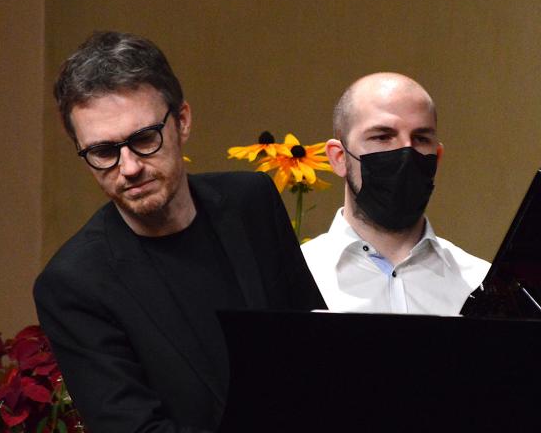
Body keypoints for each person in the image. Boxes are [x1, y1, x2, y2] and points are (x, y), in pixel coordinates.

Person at [33, 31, 325, 433]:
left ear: (182, 121)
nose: (130, 167)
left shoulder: (252, 202)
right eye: (104, 152)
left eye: (144, 139)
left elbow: (316, 351)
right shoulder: (74, 284)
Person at [302, 72, 490, 315]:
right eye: (382, 137)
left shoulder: (480, 284)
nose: (405, 153)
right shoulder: (297, 276)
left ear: (437, 158)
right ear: (338, 157)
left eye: (421, 138)